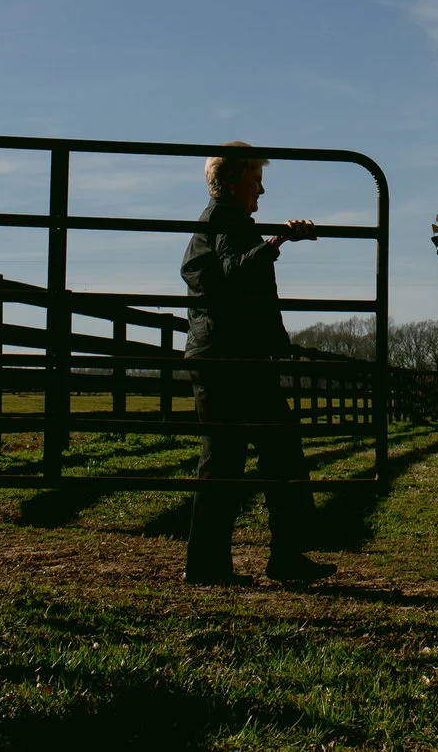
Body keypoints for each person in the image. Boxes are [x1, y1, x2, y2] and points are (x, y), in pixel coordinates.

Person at [179, 143, 336, 585]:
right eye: (255, 178)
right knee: (260, 455)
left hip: (231, 356)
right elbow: (232, 270)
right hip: (232, 358)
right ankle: (268, 558)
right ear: (233, 181)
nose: (262, 189)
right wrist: (279, 241)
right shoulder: (225, 223)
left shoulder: (221, 222)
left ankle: (219, 563)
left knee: (236, 458)